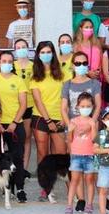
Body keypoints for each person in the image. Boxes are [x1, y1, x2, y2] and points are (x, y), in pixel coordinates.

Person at [0, 51, 28, 203]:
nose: (6, 63)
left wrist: (14, 122)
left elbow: (24, 104)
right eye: (3, 61)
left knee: (17, 158)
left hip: (15, 124)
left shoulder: (18, 80)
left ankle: (19, 189)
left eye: (9, 61)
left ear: (13, 63)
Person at [29, 41, 67, 174]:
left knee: (61, 153)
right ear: (38, 55)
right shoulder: (35, 77)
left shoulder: (62, 73)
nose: (46, 55)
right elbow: (38, 101)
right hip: (41, 118)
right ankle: (45, 187)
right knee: (42, 153)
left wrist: (64, 117)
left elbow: (66, 97)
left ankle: (70, 190)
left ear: (53, 54)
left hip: (60, 118)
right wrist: (48, 121)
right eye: (43, 52)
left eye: (48, 52)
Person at [65, 92, 98, 214]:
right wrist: (70, 131)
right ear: (77, 107)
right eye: (82, 106)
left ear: (92, 107)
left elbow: (94, 139)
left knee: (89, 180)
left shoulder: (92, 122)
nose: (85, 108)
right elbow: (69, 139)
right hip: (76, 155)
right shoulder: (73, 121)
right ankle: (69, 206)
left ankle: (89, 205)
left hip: (89, 155)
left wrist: (93, 127)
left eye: (88, 106)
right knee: (74, 180)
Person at [61, 51, 102, 125]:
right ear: (73, 66)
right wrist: (69, 126)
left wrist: (91, 123)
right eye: (78, 64)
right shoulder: (67, 84)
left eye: (84, 63)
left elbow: (98, 106)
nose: (81, 66)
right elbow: (64, 108)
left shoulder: (95, 83)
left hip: (91, 125)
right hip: (73, 125)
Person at [13, 39, 35, 173]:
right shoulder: (11, 65)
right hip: (14, 106)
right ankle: (14, 166)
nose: (21, 49)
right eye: (18, 47)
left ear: (28, 48)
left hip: (30, 105)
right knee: (15, 138)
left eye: (23, 47)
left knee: (26, 137)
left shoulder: (34, 66)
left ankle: (24, 168)